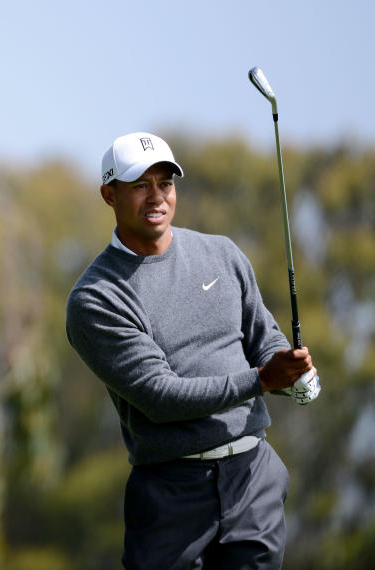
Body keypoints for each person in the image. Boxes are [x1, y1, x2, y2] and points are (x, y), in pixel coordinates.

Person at [65, 132, 319, 569]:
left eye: (165, 183)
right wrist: (261, 381)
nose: (156, 197)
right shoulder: (96, 298)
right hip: (170, 494)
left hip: (251, 475)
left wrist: (293, 375)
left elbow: (264, 339)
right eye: (140, 185)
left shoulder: (221, 253)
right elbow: (162, 398)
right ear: (109, 195)